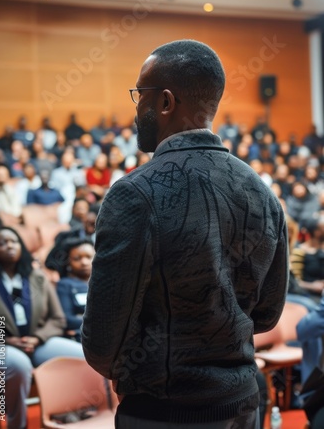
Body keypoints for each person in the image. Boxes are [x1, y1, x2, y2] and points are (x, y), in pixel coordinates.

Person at [82, 39, 289, 429]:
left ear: (164, 102)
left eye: (139, 94)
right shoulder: (262, 191)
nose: (136, 106)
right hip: (243, 403)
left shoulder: (135, 193)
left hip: (165, 411)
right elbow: (267, 314)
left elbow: (103, 340)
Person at [0, 226, 84, 429]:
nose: (9, 246)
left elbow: (57, 318)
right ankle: (17, 424)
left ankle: (74, 413)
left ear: (21, 247)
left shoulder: (37, 277)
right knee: (17, 365)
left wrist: (38, 337)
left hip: (38, 341)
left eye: (13, 241)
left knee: (85, 355)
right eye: (2, 242)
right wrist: (5, 340)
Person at [56, 237, 94, 341]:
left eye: (89, 257)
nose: (84, 262)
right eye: (77, 258)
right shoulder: (65, 285)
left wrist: (81, 317)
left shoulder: (105, 282)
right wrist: (100, 321)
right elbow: (68, 319)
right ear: (68, 262)